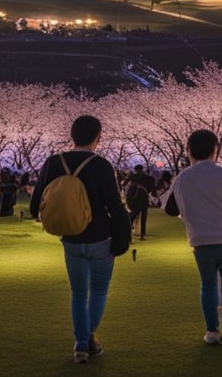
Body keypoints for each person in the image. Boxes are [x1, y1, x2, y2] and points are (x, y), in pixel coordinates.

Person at [30, 115, 131, 365]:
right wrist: (123, 238)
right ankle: (85, 341)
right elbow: (116, 207)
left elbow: (36, 206)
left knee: (77, 293)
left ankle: (81, 344)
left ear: (72, 135)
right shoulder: (102, 165)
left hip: (70, 238)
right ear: (99, 136)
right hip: (100, 238)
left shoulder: (53, 163)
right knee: (98, 290)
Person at [165, 129, 222, 346]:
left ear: (188, 151)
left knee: (208, 285)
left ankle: (212, 332)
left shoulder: (184, 177)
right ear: (215, 150)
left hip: (200, 239)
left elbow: (170, 208)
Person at [125, 164, 155, 239]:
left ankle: (129, 233)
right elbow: (153, 190)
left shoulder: (133, 176)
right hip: (145, 199)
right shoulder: (149, 178)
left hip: (135, 200)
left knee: (133, 215)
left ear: (136, 170)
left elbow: (124, 183)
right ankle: (143, 234)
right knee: (143, 216)